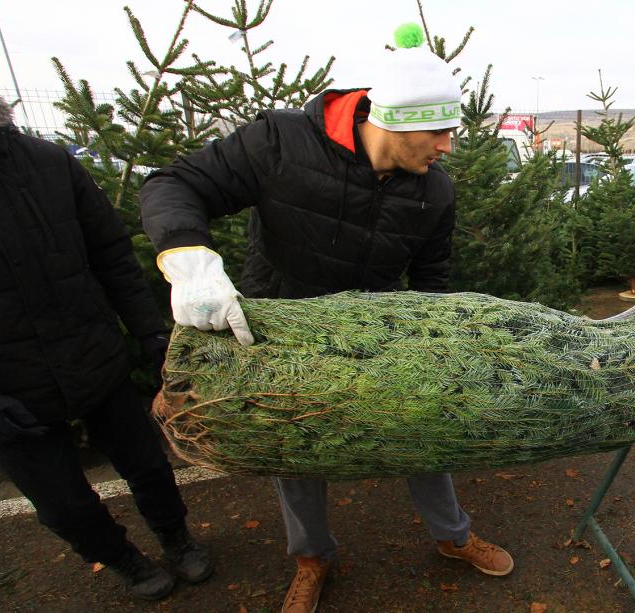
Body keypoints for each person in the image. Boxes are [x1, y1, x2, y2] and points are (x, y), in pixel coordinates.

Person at [140, 24, 513, 613]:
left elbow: (432, 281)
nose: (448, 147)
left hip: (375, 336)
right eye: (440, 131)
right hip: (280, 328)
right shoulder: (281, 143)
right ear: (396, 120)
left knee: (421, 427)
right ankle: (313, 559)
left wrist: (437, 345)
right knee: (296, 444)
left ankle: (453, 535)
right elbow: (176, 183)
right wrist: (188, 257)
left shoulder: (433, 192)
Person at [0, 88, 212, 601]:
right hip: (9, 388)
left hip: (92, 354)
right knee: (61, 502)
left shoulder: (48, 165)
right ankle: (123, 560)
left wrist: (151, 332)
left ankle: (176, 538)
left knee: (148, 464)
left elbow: (111, 253)